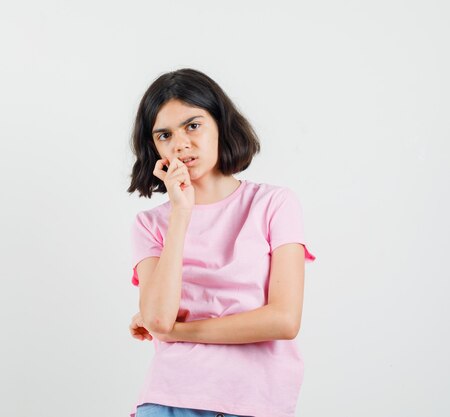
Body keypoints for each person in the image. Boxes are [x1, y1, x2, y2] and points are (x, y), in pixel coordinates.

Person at [125, 68, 317, 417]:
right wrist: (181, 212)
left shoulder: (274, 204)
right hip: (171, 399)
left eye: (193, 125)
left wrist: (176, 332)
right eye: (164, 134)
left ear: (220, 124)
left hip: (258, 402)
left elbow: (284, 321)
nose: (180, 143)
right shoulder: (150, 224)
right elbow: (157, 319)